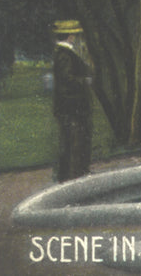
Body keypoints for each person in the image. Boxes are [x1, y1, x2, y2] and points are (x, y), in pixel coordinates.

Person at [52, 20, 93, 182]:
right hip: (71, 107)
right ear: (70, 36)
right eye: (74, 35)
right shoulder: (64, 54)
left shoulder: (63, 53)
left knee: (73, 143)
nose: (75, 38)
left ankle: (74, 176)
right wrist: (85, 81)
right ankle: (72, 178)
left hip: (70, 107)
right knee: (73, 143)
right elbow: (67, 79)